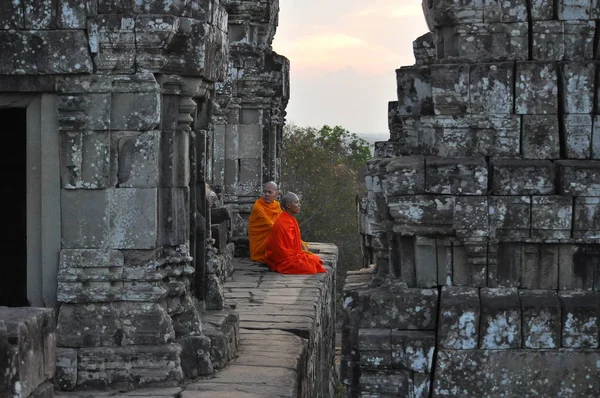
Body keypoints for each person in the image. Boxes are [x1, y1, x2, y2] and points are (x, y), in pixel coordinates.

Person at [265, 192, 327, 274]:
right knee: (310, 267)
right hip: (282, 259)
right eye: (296, 202)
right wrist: (295, 256)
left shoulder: (290, 219)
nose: (299, 205)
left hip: (292, 255)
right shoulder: (282, 223)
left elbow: (293, 244)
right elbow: (282, 251)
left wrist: (299, 253)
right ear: (288, 206)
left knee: (315, 259)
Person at [248, 181, 282, 263]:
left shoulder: (277, 205)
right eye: (265, 191)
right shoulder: (258, 206)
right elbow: (270, 225)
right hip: (261, 243)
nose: (266, 194)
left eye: (270, 192)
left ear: (276, 194)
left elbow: (282, 221)